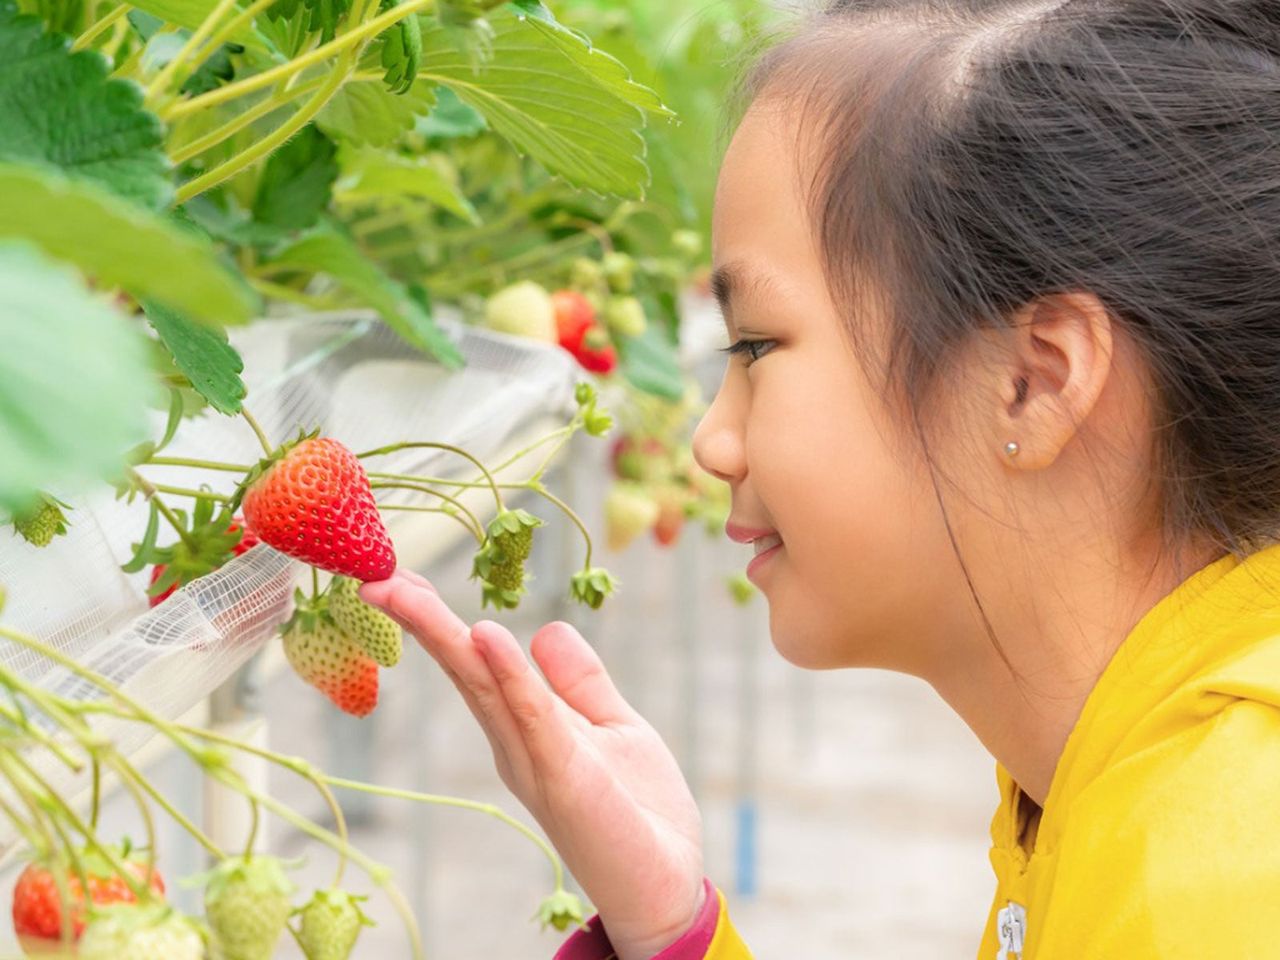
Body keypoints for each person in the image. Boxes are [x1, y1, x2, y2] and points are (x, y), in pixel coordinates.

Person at [359, 0, 1280, 956]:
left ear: (1032, 383)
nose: (712, 442)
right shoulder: (1128, 790)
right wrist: (670, 925)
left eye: (756, 345)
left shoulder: (1207, 887)